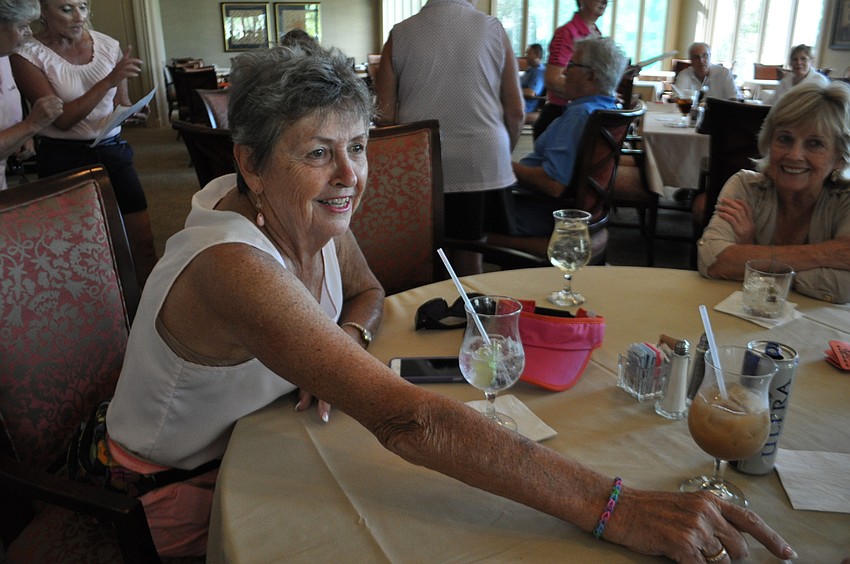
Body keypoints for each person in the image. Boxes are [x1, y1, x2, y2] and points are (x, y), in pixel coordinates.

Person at [97, 43, 798, 562]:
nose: (350, 176)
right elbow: (406, 420)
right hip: (180, 496)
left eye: (359, 147)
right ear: (248, 163)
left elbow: (368, 290)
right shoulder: (232, 262)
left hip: (279, 442)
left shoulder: (299, 213)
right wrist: (617, 507)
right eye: (318, 153)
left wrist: (338, 337)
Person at [10, 0, 157, 287]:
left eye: (83, 6)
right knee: (78, 250)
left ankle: (150, 315)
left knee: (143, 242)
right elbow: (61, 120)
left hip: (114, 152)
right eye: (66, 9)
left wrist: (131, 111)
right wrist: (108, 80)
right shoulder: (25, 54)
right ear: (43, 11)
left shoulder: (108, 45)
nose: (79, 16)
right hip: (62, 157)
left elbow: (119, 103)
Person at [374, 0, 523, 275]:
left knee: (423, 255)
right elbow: (516, 112)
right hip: (482, 156)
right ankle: (473, 313)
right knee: (471, 253)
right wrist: (503, 153)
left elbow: (383, 116)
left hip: (422, 160)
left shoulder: (400, 34)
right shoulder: (492, 29)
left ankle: (431, 311)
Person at [698, 82, 850, 304]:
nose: (794, 155)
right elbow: (713, 260)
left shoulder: (846, 200)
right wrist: (825, 254)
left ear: (839, 158)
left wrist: (749, 255)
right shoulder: (745, 186)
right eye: (785, 139)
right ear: (769, 142)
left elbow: (844, 287)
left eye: (815, 143)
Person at [507, 37, 624, 236]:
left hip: (541, 212)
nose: (564, 71)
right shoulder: (607, 108)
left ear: (591, 76)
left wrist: (500, 165)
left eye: (571, 65)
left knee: (459, 209)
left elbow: (552, 184)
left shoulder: (580, 115)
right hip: (567, 210)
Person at [0, 0, 62, 190]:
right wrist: (31, 125)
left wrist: (22, 133)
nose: (30, 33)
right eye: (22, 26)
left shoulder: (4, 57)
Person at [534, 0, 607, 139]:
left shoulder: (596, 32)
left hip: (582, 114)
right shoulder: (567, 32)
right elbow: (552, 80)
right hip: (561, 116)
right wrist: (597, 93)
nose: (605, 1)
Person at [674, 42, 738, 100]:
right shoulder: (684, 74)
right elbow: (676, 99)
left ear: (710, 56)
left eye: (705, 56)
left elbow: (734, 99)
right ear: (691, 60)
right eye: (696, 57)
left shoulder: (724, 74)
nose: (701, 61)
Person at [521, 43, 545, 114]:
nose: (526, 56)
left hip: (524, 106)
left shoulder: (539, 72)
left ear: (536, 55)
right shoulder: (531, 69)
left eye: (528, 54)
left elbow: (531, 93)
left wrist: (512, 90)